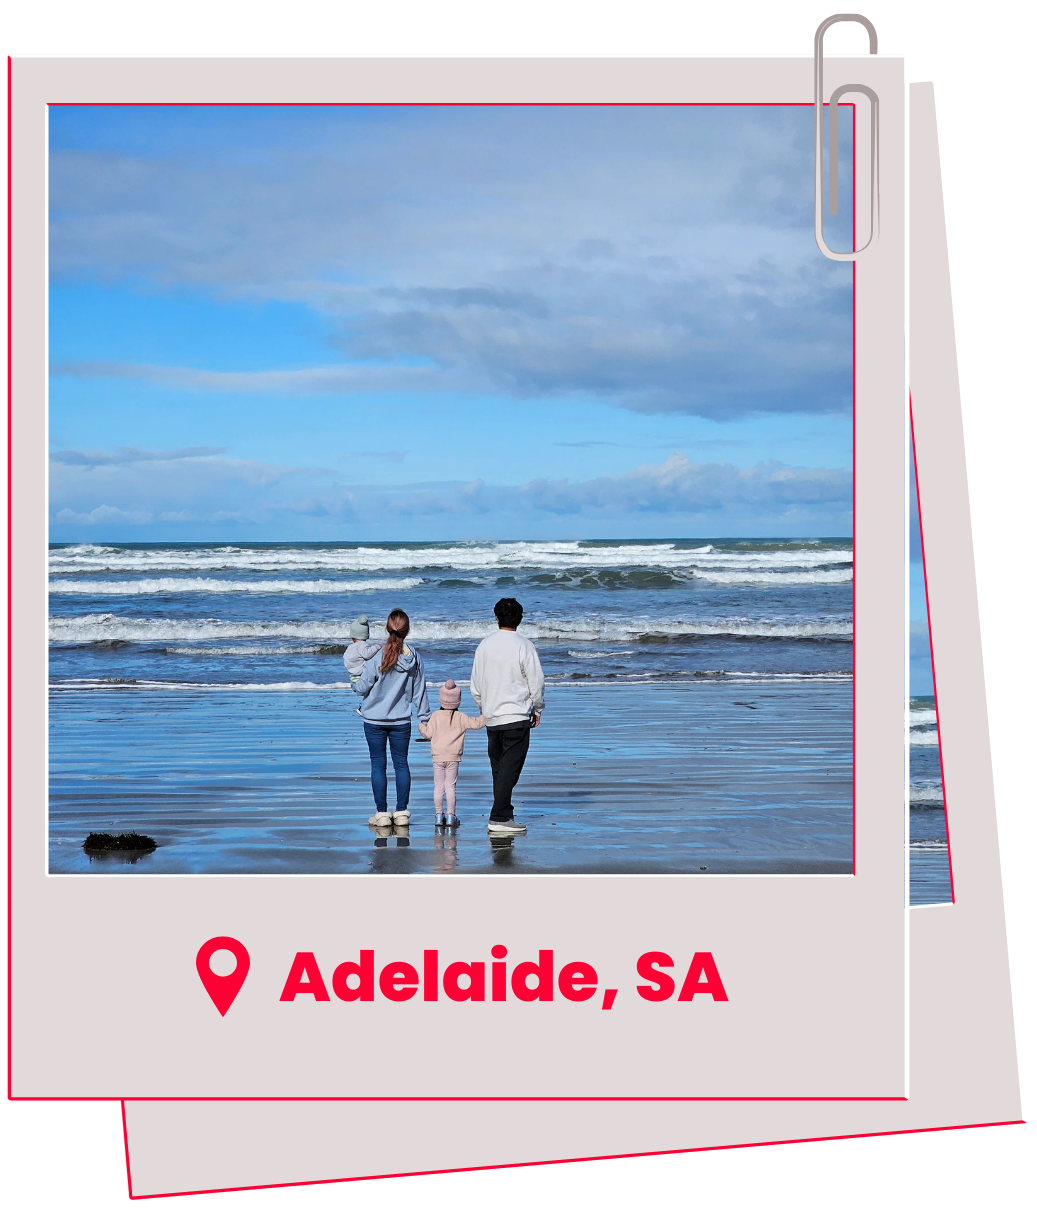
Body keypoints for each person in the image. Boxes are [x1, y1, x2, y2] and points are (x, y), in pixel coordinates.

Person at [469, 597, 545, 836]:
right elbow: (536, 681)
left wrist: (483, 706)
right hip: (515, 715)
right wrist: (538, 707)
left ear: (496, 618)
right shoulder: (524, 645)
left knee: (500, 768)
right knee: (510, 768)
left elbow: (475, 683)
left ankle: (504, 812)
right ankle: (499, 817)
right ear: (520, 619)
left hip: (493, 716)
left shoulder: (485, 645)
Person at [355, 609, 431, 829]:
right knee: (401, 764)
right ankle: (401, 812)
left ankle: (381, 813)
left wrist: (354, 683)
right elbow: (420, 690)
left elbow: (362, 688)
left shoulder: (377, 656)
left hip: (374, 720)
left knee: (378, 764)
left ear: (387, 628)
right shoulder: (414, 658)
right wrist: (424, 717)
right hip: (400, 721)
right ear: (407, 631)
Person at [418, 679, 485, 828]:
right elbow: (478, 723)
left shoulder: (435, 716)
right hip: (453, 757)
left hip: (437, 757)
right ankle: (450, 816)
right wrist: (484, 713)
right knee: (450, 787)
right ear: (458, 701)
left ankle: (438, 815)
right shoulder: (461, 717)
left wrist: (421, 726)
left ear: (441, 699)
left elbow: (428, 734)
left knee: (438, 787)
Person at [343, 615, 380, 713]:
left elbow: (346, 660)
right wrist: (377, 647)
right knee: (376, 688)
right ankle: (365, 707)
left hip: (353, 678)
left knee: (370, 692)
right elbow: (367, 654)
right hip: (361, 677)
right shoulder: (362, 645)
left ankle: (365, 707)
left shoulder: (350, 647)